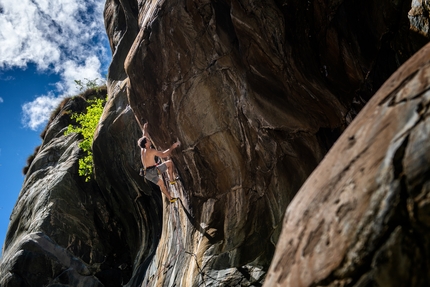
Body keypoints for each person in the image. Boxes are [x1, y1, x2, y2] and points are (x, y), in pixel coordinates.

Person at [138, 123, 180, 203]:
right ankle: (171, 180)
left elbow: (144, 135)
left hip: (147, 174)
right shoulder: (151, 151)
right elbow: (163, 154)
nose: (149, 140)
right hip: (153, 171)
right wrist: (173, 147)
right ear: (146, 144)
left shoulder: (142, 149)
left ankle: (170, 199)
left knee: (161, 184)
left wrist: (145, 128)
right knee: (169, 163)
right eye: (148, 140)